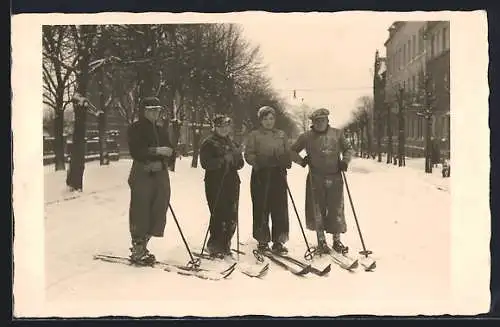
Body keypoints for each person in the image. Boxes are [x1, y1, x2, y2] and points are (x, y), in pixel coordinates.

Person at [290, 108, 353, 255]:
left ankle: (336, 241)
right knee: (317, 209)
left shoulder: (337, 134)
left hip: (335, 177)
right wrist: (301, 161)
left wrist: (345, 161)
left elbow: (348, 149)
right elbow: (292, 151)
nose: (320, 123)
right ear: (313, 122)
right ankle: (321, 240)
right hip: (315, 178)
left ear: (327, 121)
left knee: (336, 208)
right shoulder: (306, 137)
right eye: (317, 121)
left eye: (322, 120)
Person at [127, 97, 175, 265]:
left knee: (159, 207)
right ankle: (138, 247)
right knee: (141, 209)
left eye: (157, 110)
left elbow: (170, 150)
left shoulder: (161, 130)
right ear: (144, 111)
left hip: (160, 173)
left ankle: (145, 244)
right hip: (142, 172)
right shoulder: (136, 128)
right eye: (152, 110)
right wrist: (155, 151)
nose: (155, 113)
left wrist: (166, 158)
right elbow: (136, 150)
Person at [244, 106, 292, 255]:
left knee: (279, 208)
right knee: (261, 207)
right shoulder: (254, 135)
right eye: (265, 119)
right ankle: (262, 240)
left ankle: (279, 241)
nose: (269, 122)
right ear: (261, 120)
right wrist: (258, 162)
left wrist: (284, 160)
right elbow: (248, 154)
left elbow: (287, 152)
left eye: (271, 118)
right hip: (261, 175)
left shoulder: (281, 135)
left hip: (278, 174)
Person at [199, 114, 245, 259]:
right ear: (215, 127)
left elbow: (240, 164)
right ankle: (214, 245)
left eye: (227, 126)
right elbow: (206, 163)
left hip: (231, 181)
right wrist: (222, 160)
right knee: (219, 213)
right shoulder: (209, 143)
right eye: (221, 126)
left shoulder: (232, 143)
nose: (224, 129)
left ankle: (226, 244)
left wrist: (236, 159)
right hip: (215, 182)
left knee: (231, 214)